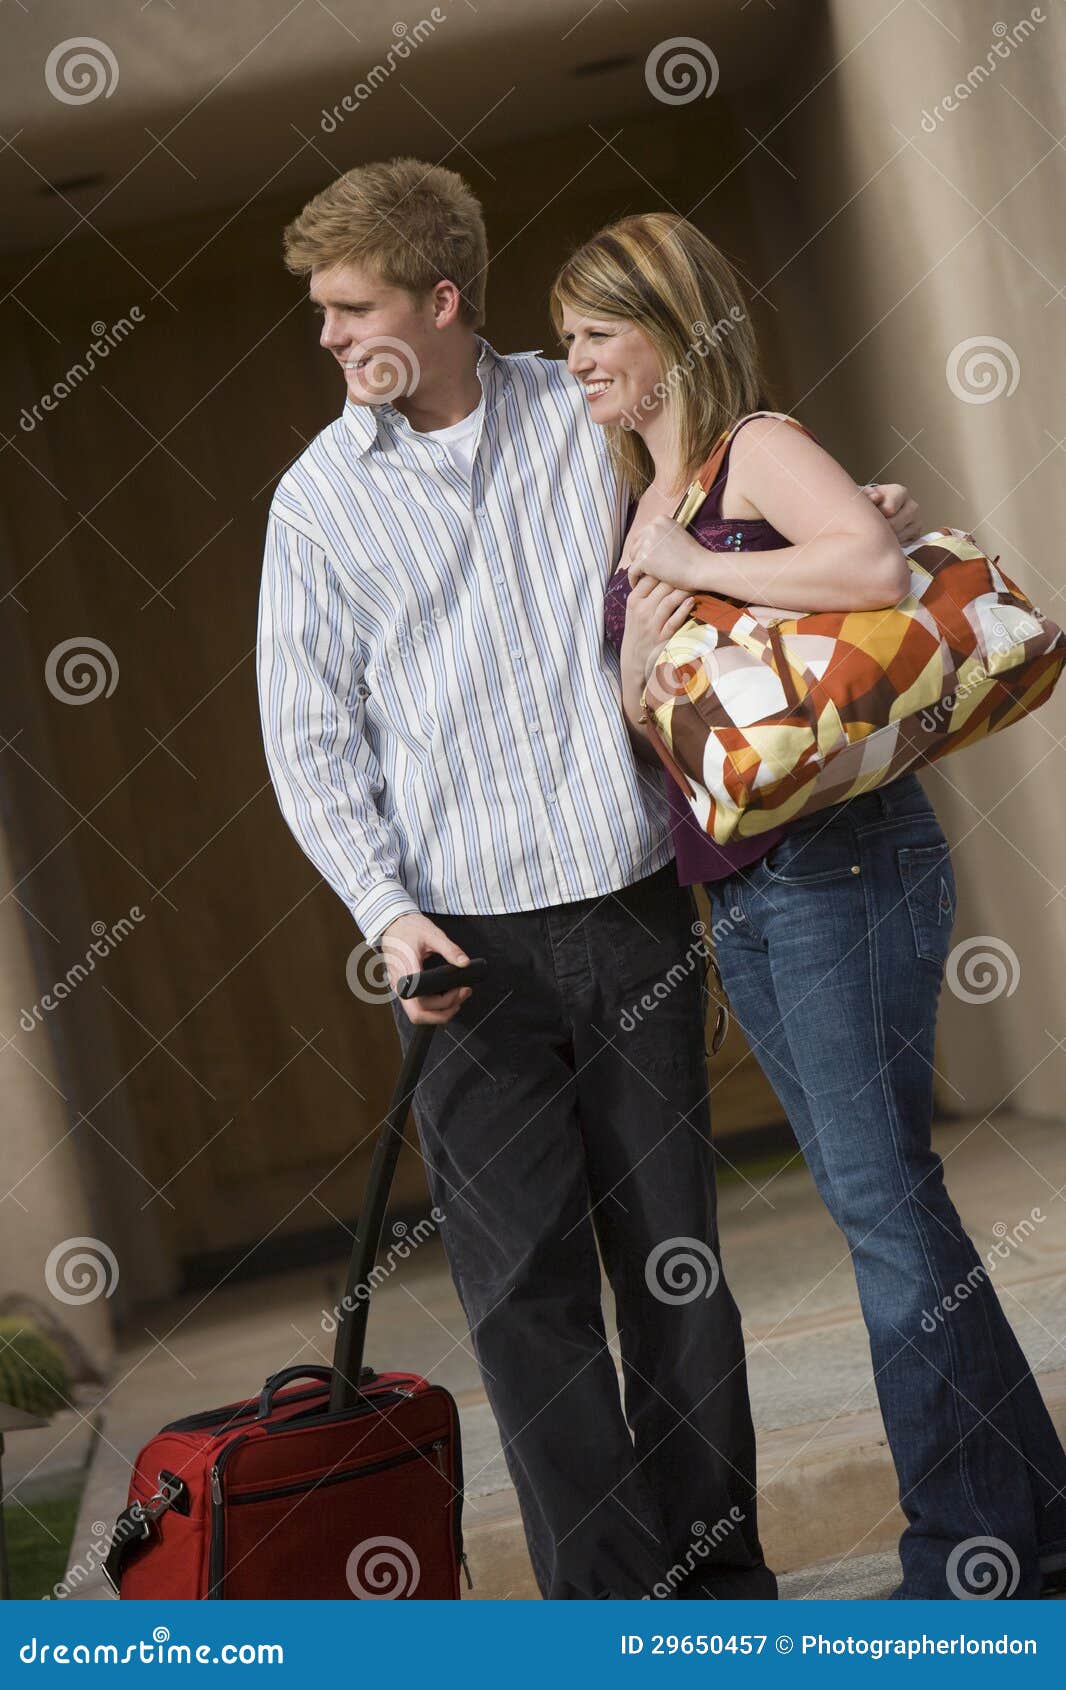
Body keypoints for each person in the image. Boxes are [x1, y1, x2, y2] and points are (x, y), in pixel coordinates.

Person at [255, 155, 918, 1600]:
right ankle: (604, 1618)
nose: (321, 335)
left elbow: (710, 511)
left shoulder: (581, 414)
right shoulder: (314, 506)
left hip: (628, 915)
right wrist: (387, 913)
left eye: (345, 305)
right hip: (459, 957)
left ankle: (715, 1591)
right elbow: (310, 744)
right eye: (315, 309)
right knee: (525, 1298)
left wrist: (814, 530)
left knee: (675, 1268)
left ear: (439, 300)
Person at [553, 209, 1066, 1600]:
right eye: (567, 340)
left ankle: (968, 1547)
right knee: (882, 1203)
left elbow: (869, 571)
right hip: (755, 889)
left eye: (597, 336)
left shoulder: (750, 448)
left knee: (883, 1202)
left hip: (844, 863)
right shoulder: (635, 493)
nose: (578, 362)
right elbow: (664, 722)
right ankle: (1030, 1523)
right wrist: (635, 660)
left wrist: (700, 571)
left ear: (668, 332)